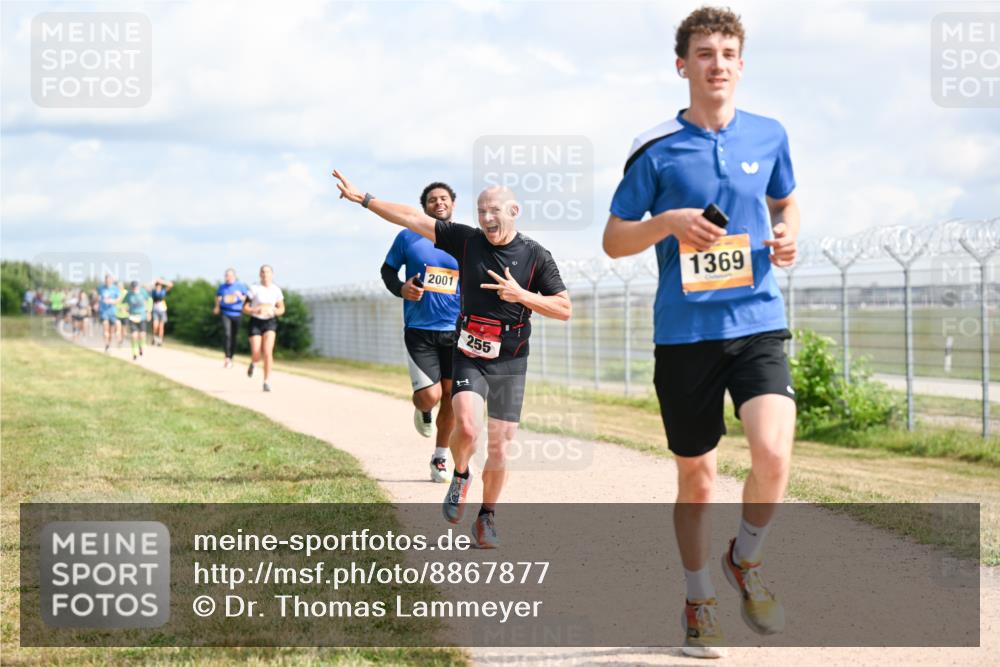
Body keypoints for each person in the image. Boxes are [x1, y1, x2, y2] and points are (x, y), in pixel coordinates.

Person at [603, 6, 800, 659]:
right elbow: (613, 239)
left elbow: (785, 198)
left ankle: (745, 558)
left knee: (773, 452)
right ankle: (698, 600)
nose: (717, 63)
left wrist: (790, 230)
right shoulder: (655, 148)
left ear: (741, 65)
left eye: (727, 53)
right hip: (685, 334)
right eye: (704, 52)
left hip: (758, 319)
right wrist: (669, 222)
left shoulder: (770, 135)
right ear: (682, 64)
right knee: (700, 479)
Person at [333, 169, 571, 549]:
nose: (487, 218)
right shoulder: (466, 241)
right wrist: (364, 199)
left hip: (510, 357)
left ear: (514, 210)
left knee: (500, 444)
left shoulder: (535, 255)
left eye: (494, 210)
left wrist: (522, 295)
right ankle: (461, 474)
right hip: (469, 351)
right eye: (481, 211)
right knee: (467, 426)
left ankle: (487, 517)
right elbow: (411, 219)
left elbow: (563, 308)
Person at [381, 182, 462, 483]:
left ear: (453, 203)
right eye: (432, 200)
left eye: (443, 198)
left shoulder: (465, 239)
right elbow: (387, 271)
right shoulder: (407, 237)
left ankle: (440, 458)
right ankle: (423, 408)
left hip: (456, 331)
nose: (438, 203)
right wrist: (401, 288)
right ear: (424, 206)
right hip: (420, 329)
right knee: (431, 396)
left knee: (452, 397)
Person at [243, 265, 285, 392]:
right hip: (255, 321)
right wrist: (255, 309)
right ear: (259, 274)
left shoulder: (276, 290)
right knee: (256, 353)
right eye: (262, 272)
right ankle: (254, 363)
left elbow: (282, 308)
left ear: (272, 274)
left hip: (270, 322)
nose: (265, 274)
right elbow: (245, 307)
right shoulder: (254, 288)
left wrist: (274, 311)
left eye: (267, 272)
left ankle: (266, 381)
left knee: (267, 352)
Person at [214, 269, 250, 368]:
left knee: (234, 336)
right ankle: (227, 357)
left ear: (234, 276)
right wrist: (217, 307)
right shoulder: (222, 286)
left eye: (229, 275)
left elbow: (248, 298)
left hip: (237, 313)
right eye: (226, 275)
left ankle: (231, 356)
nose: (227, 277)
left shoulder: (241, 285)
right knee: (227, 334)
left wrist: (241, 297)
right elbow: (217, 297)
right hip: (225, 312)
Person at [121, 280, 151, 360]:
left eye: (135, 288)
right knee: (134, 336)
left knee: (142, 335)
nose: (134, 289)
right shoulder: (129, 294)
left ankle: (141, 346)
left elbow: (149, 300)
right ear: (131, 288)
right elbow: (123, 303)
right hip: (132, 317)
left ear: (138, 287)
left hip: (142, 316)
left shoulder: (143, 292)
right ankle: (134, 352)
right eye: (133, 288)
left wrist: (148, 311)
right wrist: (124, 308)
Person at [96, 275, 122, 353]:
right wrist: (98, 299)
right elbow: (97, 296)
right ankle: (106, 344)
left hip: (112, 312)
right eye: (106, 280)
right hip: (103, 312)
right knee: (105, 328)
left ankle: (109, 345)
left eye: (109, 280)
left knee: (111, 331)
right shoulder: (101, 288)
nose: (108, 282)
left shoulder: (115, 289)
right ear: (105, 281)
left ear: (112, 281)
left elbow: (119, 299)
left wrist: (112, 301)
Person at [150, 279, 173, 346]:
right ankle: (154, 338)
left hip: (162, 310)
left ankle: (160, 340)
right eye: (157, 285)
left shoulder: (163, 291)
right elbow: (147, 287)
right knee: (155, 326)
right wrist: (155, 281)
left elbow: (171, 285)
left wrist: (161, 281)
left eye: (159, 285)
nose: (158, 286)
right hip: (155, 310)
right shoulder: (153, 292)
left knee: (161, 326)